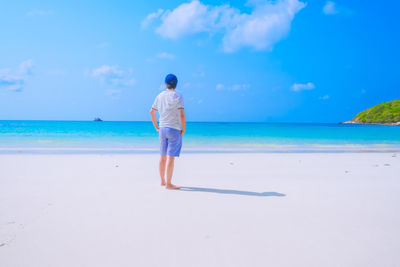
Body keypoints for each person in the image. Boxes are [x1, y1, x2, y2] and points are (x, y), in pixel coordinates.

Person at [150, 74, 185, 190]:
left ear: (165, 84)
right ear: (176, 84)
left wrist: (156, 127)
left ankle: (162, 181)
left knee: (162, 156)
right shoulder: (178, 96)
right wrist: (183, 128)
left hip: (162, 129)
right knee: (170, 157)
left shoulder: (159, 96)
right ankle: (169, 184)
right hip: (174, 129)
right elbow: (181, 115)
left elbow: (152, 112)